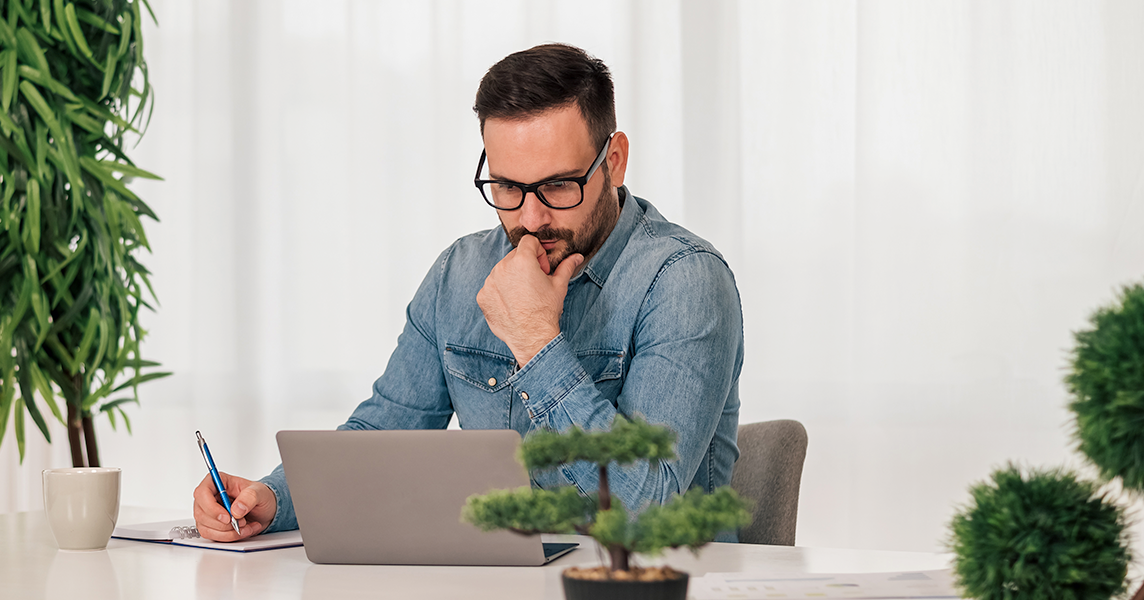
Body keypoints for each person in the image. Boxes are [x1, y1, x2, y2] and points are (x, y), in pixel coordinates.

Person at [192, 43, 744, 542]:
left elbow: (648, 512)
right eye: (506, 187)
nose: (531, 218)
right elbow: (385, 435)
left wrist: (535, 340)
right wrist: (274, 498)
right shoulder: (460, 272)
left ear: (614, 162)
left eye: (557, 185)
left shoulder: (685, 281)